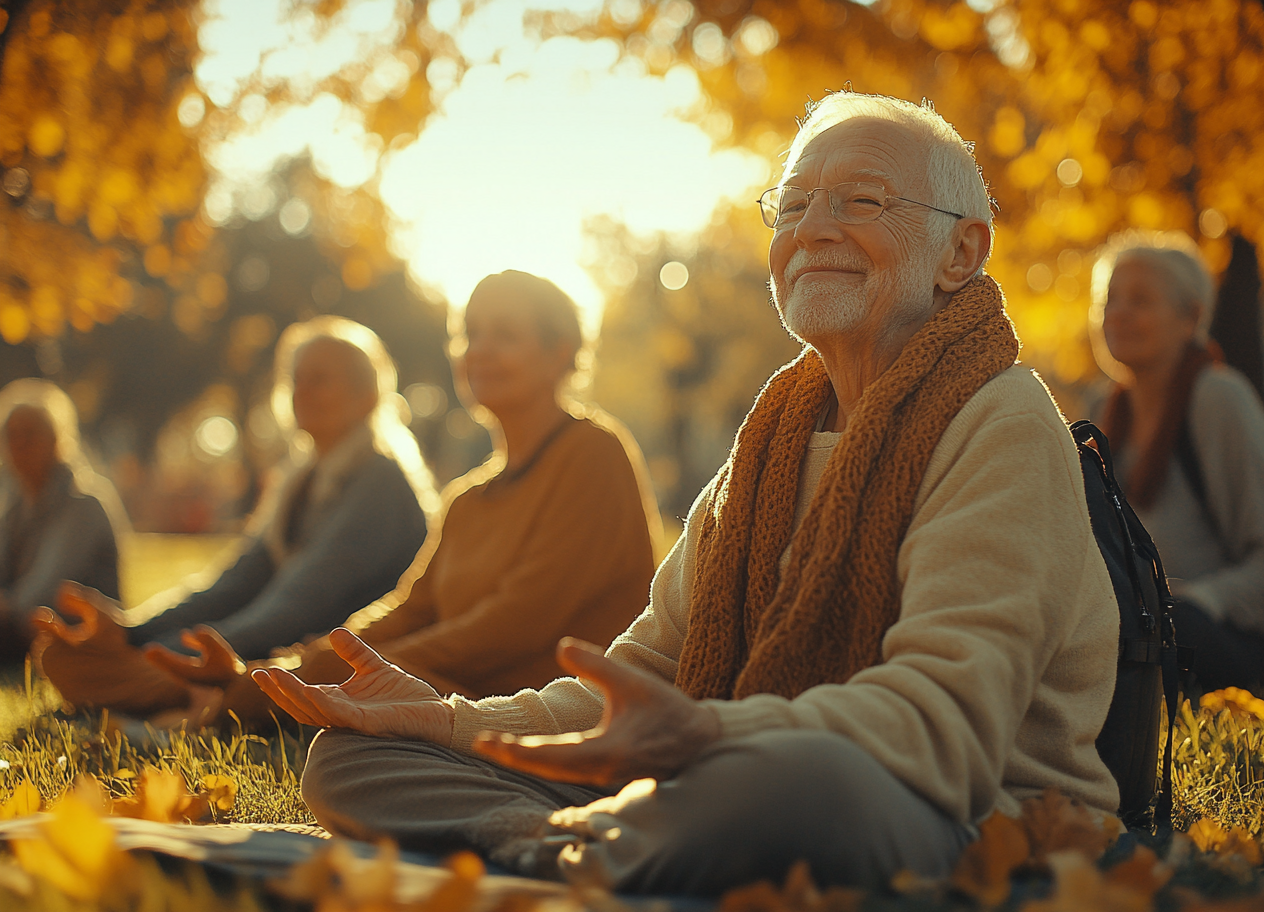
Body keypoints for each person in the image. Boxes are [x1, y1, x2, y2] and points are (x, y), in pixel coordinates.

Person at [255, 92, 1122, 897]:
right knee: (354, 758)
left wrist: (709, 736)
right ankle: (581, 847)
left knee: (795, 781)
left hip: (954, 809)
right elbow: (644, 677)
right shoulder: (771, 441)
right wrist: (447, 722)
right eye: (793, 205)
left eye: (860, 201)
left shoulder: (1001, 420)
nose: (814, 229)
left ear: (961, 252)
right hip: (718, 771)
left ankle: (607, 842)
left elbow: (943, 729)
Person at [147, 270, 662, 724]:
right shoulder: (467, 498)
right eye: (469, 333)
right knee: (332, 700)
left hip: (553, 712)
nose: (479, 350)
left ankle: (196, 698)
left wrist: (337, 669)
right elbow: (409, 610)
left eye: (504, 335)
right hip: (463, 697)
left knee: (344, 731)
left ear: (560, 354)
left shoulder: (594, 454)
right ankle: (202, 693)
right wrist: (304, 662)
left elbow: (517, 623)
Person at [34, 317, 435, 717]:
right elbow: (236, 581)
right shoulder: (300, 479)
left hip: (323, 663)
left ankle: (178, 695)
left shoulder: (380, 481)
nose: (301, 393)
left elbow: (300, 602)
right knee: (63, 657)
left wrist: (166, 654)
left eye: (319, 380)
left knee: (114, 672)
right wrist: (132, 632)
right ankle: (166, 692)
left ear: (367, 397)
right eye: (295, 380)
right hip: (269, 650)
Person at [1090, 232, 1264, 699]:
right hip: (1136, 636)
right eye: (1109, 300)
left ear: (1190, 318)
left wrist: (1195, 602)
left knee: (1172, 628)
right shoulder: (1100, 417)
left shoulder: (1219, 399)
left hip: (1230, 646)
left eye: (1140, 300)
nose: (1117, 313)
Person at [0, 380, 124, 666]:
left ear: (58, 440)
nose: (19, 445)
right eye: (11, 435)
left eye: (30, 434)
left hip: (74, 634)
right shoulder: (15, 503)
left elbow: (46, 587)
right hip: (22, 625)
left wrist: (7, 608)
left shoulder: (83, 503)